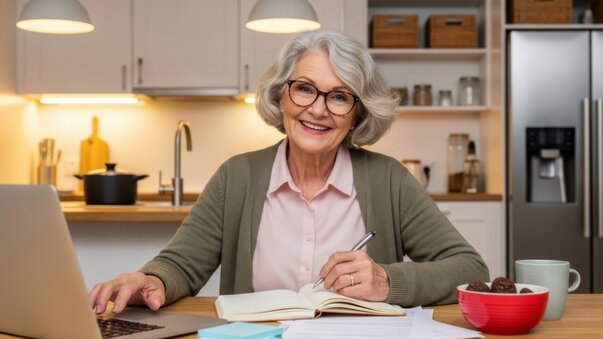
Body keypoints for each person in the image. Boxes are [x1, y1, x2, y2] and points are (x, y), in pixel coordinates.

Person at [89, 30, 489, 315]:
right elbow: (181, 265)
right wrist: (152, 281)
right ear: (281, 95)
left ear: (358, 114)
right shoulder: (237, 176)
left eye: (339, 96)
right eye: (304, 88)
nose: (317, 109)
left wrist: (387, 280)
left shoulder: (390, 180)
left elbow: (470, 269)